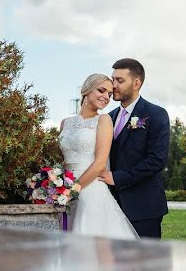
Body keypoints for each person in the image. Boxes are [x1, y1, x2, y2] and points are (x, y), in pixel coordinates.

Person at [58, 74, 138, 240]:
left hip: (90, 191)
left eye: (109, 94)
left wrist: (73, 191)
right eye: (101, 90)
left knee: (97, 248)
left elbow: (101, 162)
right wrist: (56, 186)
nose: (106, 97)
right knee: (68, 246)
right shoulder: (65, 123)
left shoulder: (104, 120)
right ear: (86, 90)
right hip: (64, 190)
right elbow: (63, 160)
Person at [99, 58, 170, 239]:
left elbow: (156, 160)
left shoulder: (156, 114)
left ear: (136, 83)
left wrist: (118, 177)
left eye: (120, 81)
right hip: (110, 206)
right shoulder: (108, 117)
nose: (113, 85)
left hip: (144, 208)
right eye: (113, 79)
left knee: (144, 265)